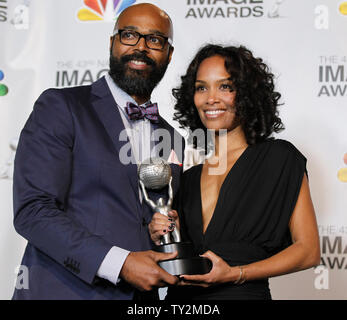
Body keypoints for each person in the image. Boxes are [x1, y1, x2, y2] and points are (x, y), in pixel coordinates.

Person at [12, 3, 184, 300]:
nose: (141, 47)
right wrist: (120, 263)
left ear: (168, 54)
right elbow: (33, 211)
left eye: (155, 40)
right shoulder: (62, 107)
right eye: (130, 35)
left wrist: (165, 233)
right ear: (112, 42)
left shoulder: (173, 139)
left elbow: (150, 222)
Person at [149, 44, 320, 300]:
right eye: (201, 87)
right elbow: (180, 258)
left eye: (225, 86)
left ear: (247, 94)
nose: (211, 98)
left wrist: (235, 273)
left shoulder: (279, 158)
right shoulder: (188, 176)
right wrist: (163, 232)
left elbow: (308, 251)